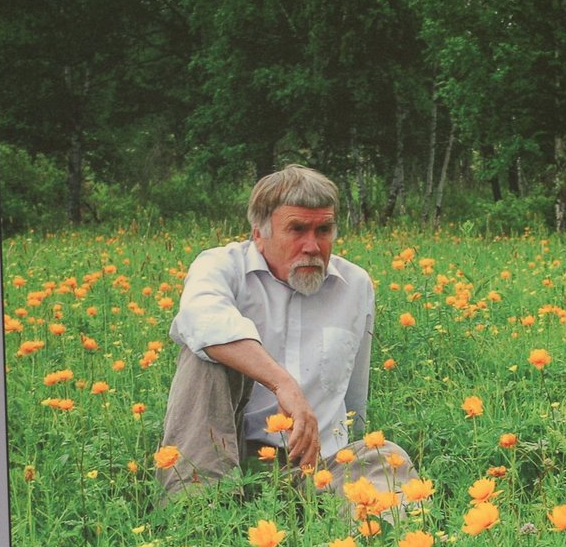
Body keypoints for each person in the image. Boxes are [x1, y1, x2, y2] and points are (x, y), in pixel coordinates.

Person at [156, 164, 416, 513]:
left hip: (321, 466)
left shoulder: (354, 285)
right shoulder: (220, 267)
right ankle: (198, 513)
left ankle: (381, 546)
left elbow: (354, 397)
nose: (312, 245)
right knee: (206, 353)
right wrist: (283, 385)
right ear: (258, 234)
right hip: (234, 462)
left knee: (387, 458)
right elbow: (202, 320)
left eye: (323, 229)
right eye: (297, 229)